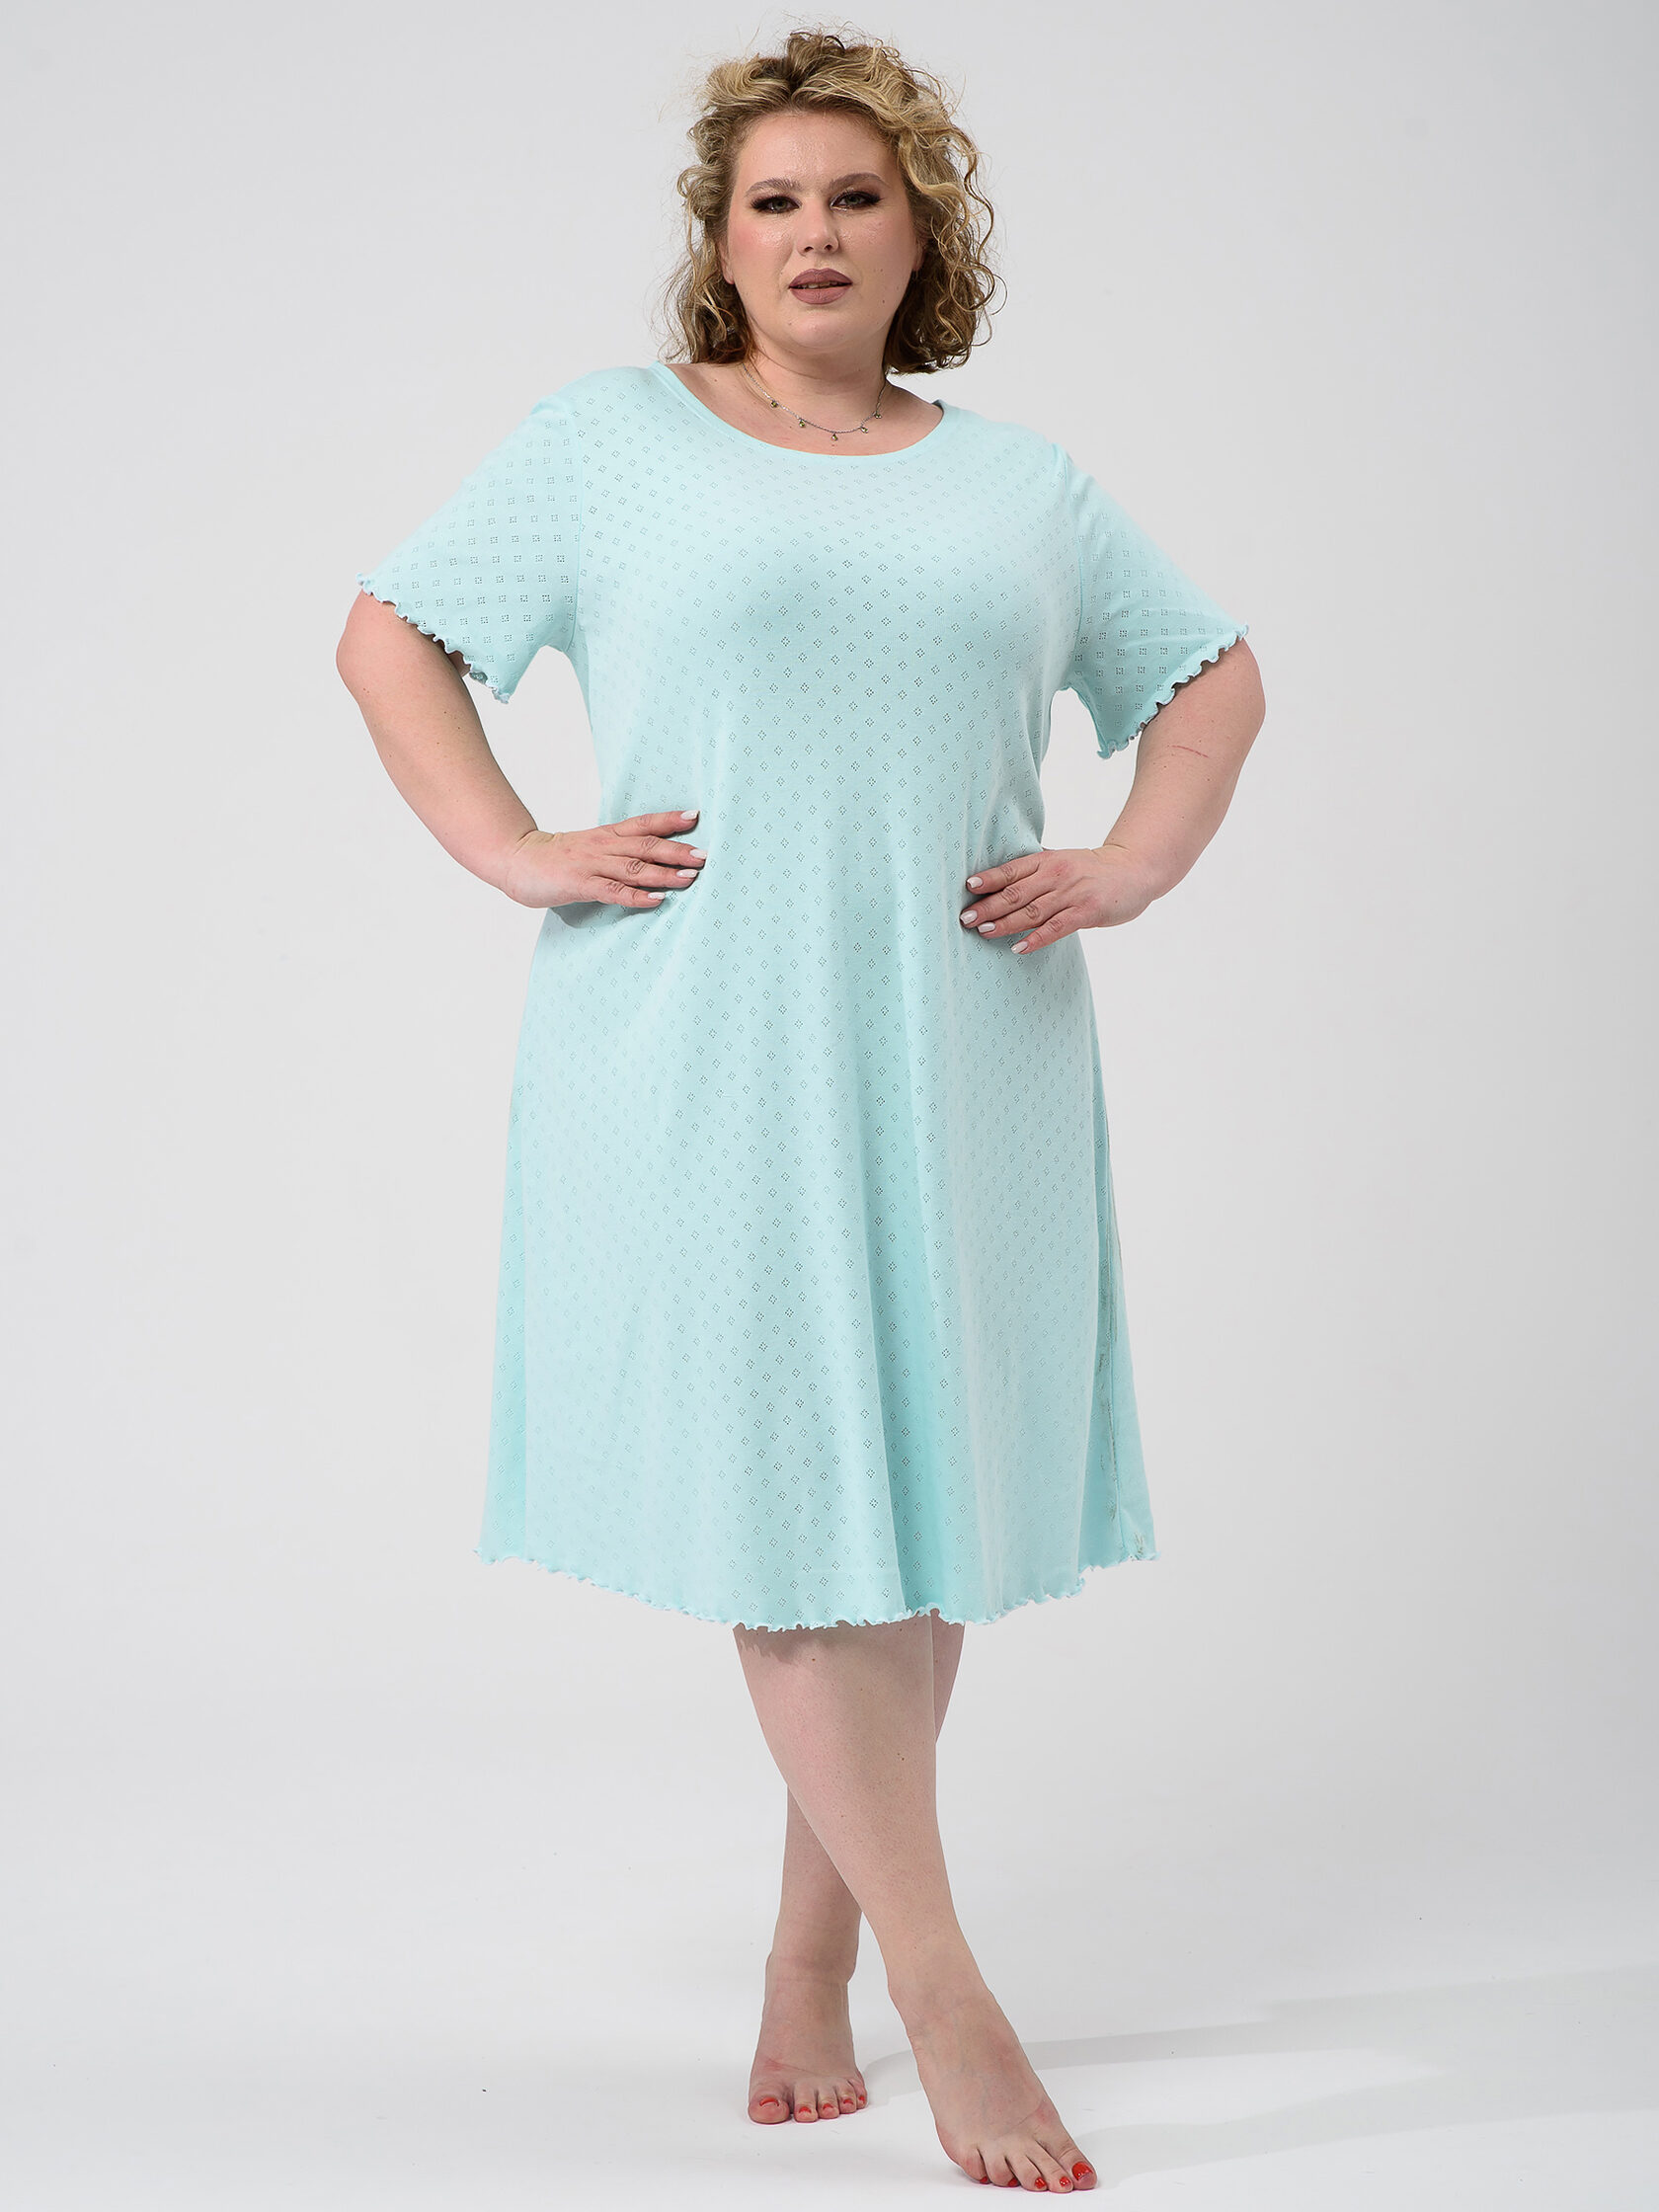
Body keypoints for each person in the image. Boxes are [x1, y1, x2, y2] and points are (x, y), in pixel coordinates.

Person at [336, 25, 1264, 2195]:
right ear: (722, 242)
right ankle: (949, 1991)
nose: (815, 231)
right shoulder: (610, 441)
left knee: (910, 1514)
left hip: (968, 1048)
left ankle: (807, 1955)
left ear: (923, 234)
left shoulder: (1021, 484)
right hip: (704, 1043)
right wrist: (508, 845)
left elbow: (1211, 679)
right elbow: (390, 637)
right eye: (774, 200)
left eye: (857, 196)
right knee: (791, 1500)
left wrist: (1133, 862)